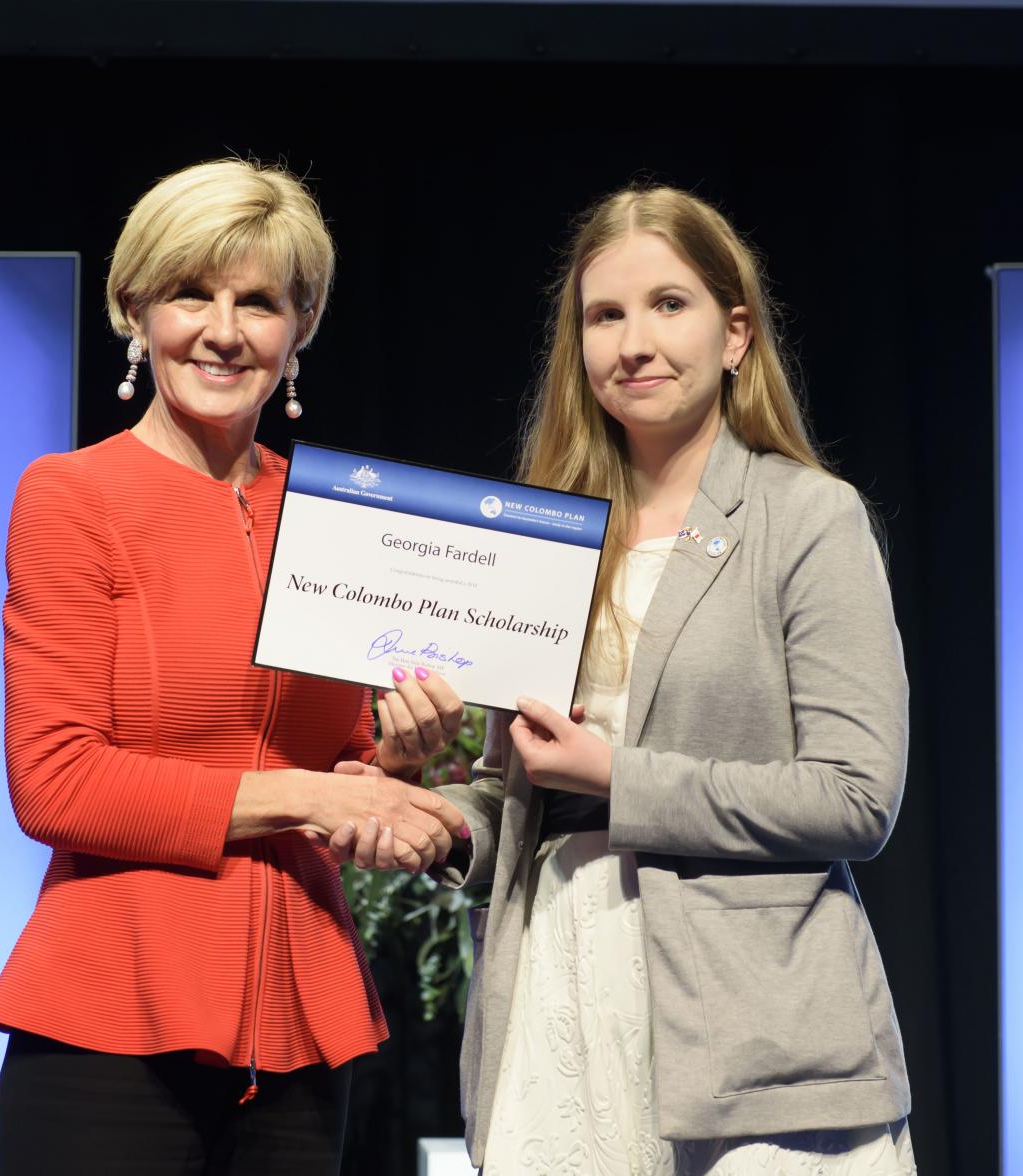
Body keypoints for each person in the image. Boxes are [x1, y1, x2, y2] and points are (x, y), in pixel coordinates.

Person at [336, 184, 916, 1174]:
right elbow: (518, 790)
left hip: (757, 1031)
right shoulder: (543, 531)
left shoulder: (808, 516)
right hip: (561, 980)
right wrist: (437, 826)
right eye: (605, 315)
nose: (634, 342)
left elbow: (857, 797)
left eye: (668, 305)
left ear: (736, 334)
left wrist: (618, 776)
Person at [0, 158, 468, 1176]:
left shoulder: (340, 520)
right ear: (133, 307)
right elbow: (55, 781)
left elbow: (339, 768)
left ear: (302, 325)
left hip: (300, 1024)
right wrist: (305, 797)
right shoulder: (72, 497)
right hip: (110, 1021)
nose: (223, 328)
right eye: (190, 294)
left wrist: (398, 766)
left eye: (258, 302)